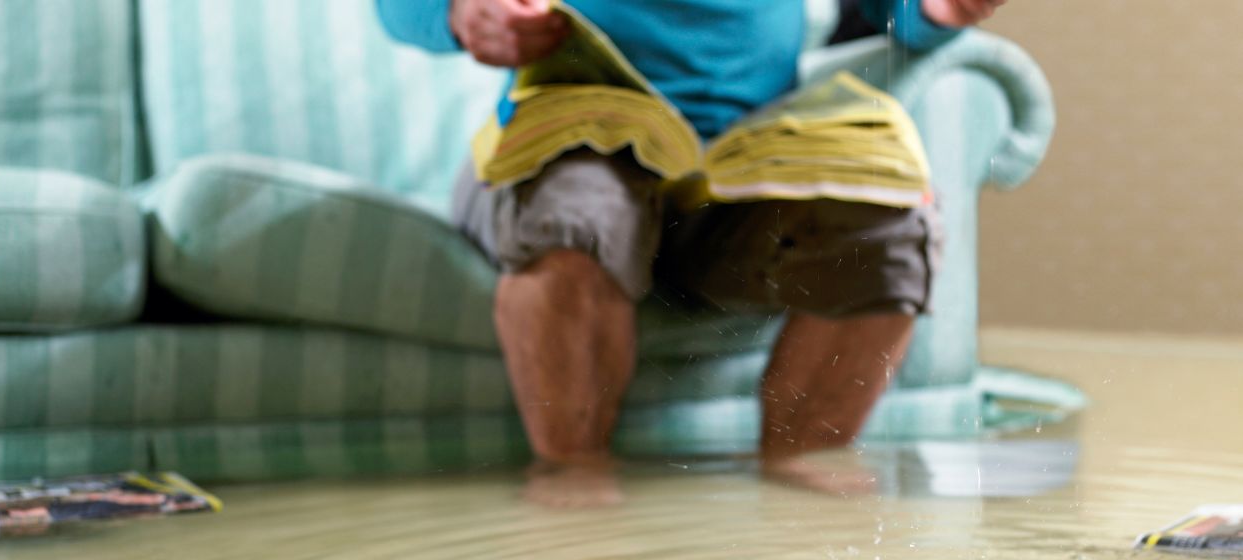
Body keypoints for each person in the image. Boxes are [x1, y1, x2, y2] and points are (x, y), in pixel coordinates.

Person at [378, 0, 1007, 499]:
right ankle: (573, 464)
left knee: (889, 227)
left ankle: (802, 454)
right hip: (576, 141)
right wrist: (460, 11)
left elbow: (885, 10)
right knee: (574, 219)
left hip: (743, 165)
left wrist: (931, 12)